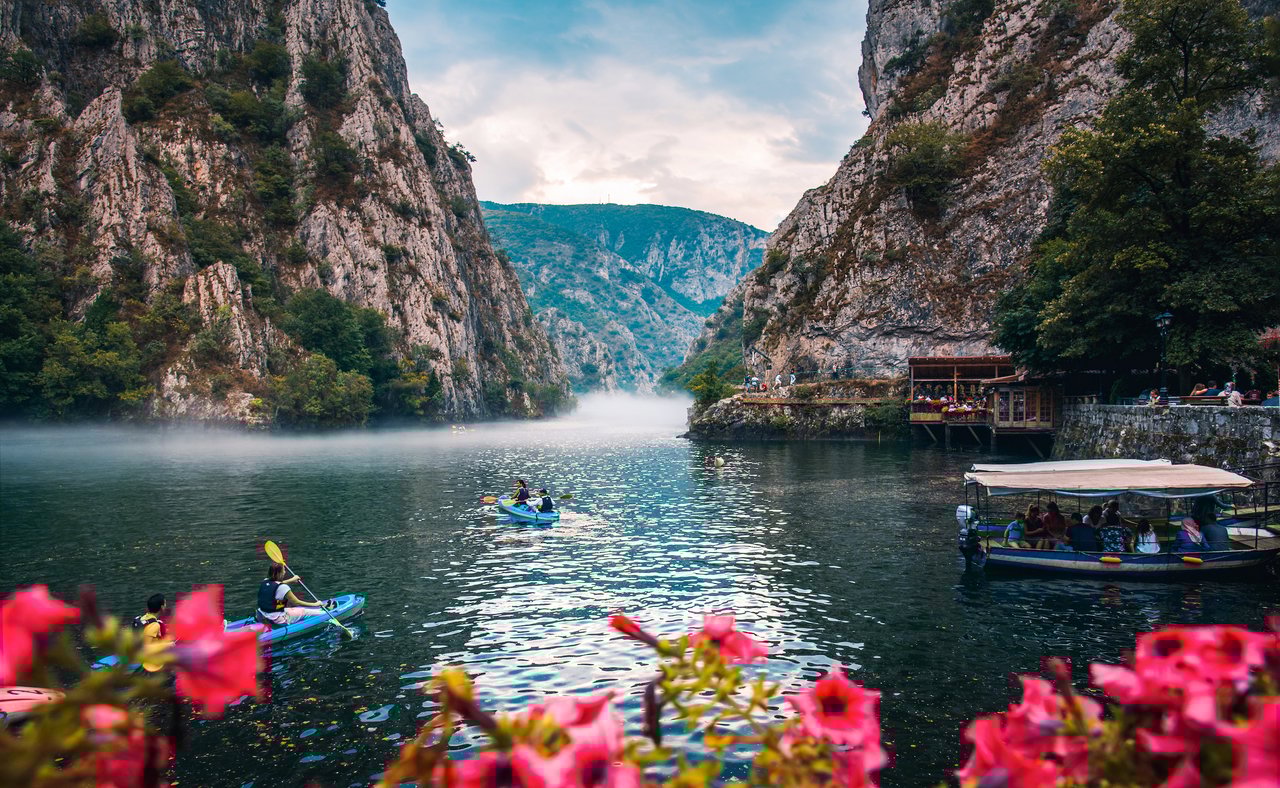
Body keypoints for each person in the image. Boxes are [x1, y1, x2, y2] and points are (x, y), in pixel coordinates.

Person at [258, 562, 329, 627]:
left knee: (288, 607)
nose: (285, 572)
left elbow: (277, 584)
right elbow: (297, 602)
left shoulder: (265, 581)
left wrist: (292, 580)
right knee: (304, 611)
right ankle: (325, 614)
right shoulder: (283, 587)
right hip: (278, 620)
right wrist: (316, 604)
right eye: (284, 570)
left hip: (263, 615)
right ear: (280, 573)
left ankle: (319, 610)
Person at [134, 594, 170, 673]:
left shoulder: (143, 618)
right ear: (162, 607)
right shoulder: (154, 625)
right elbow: (145, 649)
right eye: (165, 603)